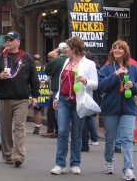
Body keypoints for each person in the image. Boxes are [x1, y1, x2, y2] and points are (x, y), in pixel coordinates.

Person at [0, 31, 39, 168]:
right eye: (7, 39)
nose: (8, 41)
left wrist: (35, 96)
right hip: (4, 98)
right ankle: (8, 153)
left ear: (18, 42)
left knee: (20, 127)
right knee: (5, 128)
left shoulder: (27, 58)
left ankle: (19, 156)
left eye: (11, 39)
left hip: (21, 99)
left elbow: (34, 79)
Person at [50, 36, 98, 175]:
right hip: (64, 101)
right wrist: (57, 97)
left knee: (76, 133)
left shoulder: (89, 64)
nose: (65, 50)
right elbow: (62, 81)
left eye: (68, 48)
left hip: (79, 102)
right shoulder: (66, 61)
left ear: (75, 49)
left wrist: (86, 81)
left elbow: (95, 84)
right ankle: (60, 164)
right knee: (63, 131)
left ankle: (75, 163)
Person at [98, 40, 137, 180]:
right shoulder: (107, 68)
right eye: (114, 48)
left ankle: (128, 169)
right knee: (110, 139)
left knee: (127, 138)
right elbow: (101, 86)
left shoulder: (134, 68)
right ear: (112, 51)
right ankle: (109, 161)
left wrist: (133, 85)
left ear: (125, 51)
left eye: (120, 48)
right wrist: (115, 74)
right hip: (110, 109)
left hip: (128, 109)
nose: (117, 50)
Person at [42, 43, 68, 138]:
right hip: (69, 88)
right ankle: (59, 131)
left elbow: (47, 70)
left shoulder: (59, 60)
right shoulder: (71, 60)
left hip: (58, 88)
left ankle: (60, 131)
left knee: (57, 110)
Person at [32, 54, 44, 135]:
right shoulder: (44, 67)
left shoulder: (30, 66)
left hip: (29, 90)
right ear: (40, 60)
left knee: (23, 109)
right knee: (38, 110)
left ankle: (19, 127)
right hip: (41, 91)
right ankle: (37, 127)